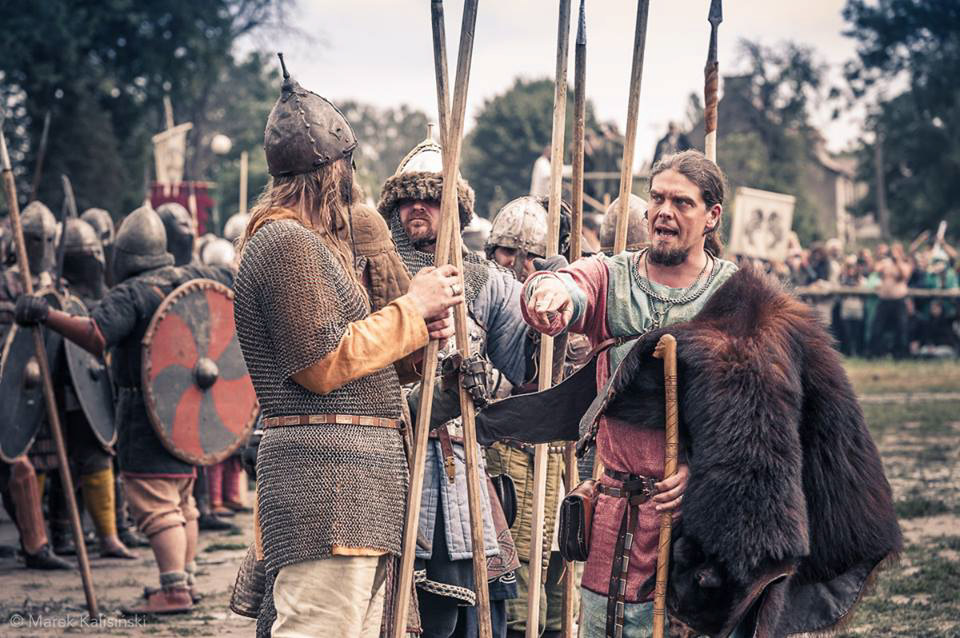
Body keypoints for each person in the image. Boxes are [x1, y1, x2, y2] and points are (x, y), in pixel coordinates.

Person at [232, 58, 461, 638]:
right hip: (327, 475)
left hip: (357, 477)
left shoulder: (317, 244)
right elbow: (321, 363)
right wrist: (412, 308)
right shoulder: (285, 241)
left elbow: (359, 356)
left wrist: (416, 330)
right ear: (331, 170)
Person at [521, 150, 733, 636]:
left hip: (695, 525)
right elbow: (570, 288)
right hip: (615, 511)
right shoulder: (612, 276)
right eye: (657, 198)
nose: (664, 212)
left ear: (711, 216)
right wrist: (547, 293)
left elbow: (758, 418)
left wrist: (700, 470)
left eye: (682, 202)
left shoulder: (734, 296)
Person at [15, 204, 234, 614]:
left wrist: (47, 315)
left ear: (120, 254)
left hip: (147, 411)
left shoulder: (131, 293)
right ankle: (184, 580)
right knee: (181, 501)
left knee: (154, 502)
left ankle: (173, 589)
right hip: (190, 413)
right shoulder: (192, 276)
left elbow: (96, 335)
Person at [378, 132, 531, 638]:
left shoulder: (487, 281)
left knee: (476, 618)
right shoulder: (377, 276)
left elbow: (529, 369)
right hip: (395, 465)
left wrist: (548, 307)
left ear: (456, 210)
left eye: (429, 197)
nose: (416, 207)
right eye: (406, 198)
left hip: (465, 467)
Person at [483, 195, 576, 638]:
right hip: (510, 447)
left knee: (555, 564)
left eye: (529, 256)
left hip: (557, 453)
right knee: (517, 570)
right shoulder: (486, 291)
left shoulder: (564, 288)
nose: (518, 264)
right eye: (507, 252)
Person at [871, 241, 913, 358]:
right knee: (877, 328)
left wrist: (898, 261)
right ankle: (875, 353)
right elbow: (876, 269)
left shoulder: (905, 263)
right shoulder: (886, 263)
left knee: (901, 328)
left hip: (898, 300)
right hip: (884, 300)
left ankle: (902, 354)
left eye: (897, 251)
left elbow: (905, 275)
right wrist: (882, 258)